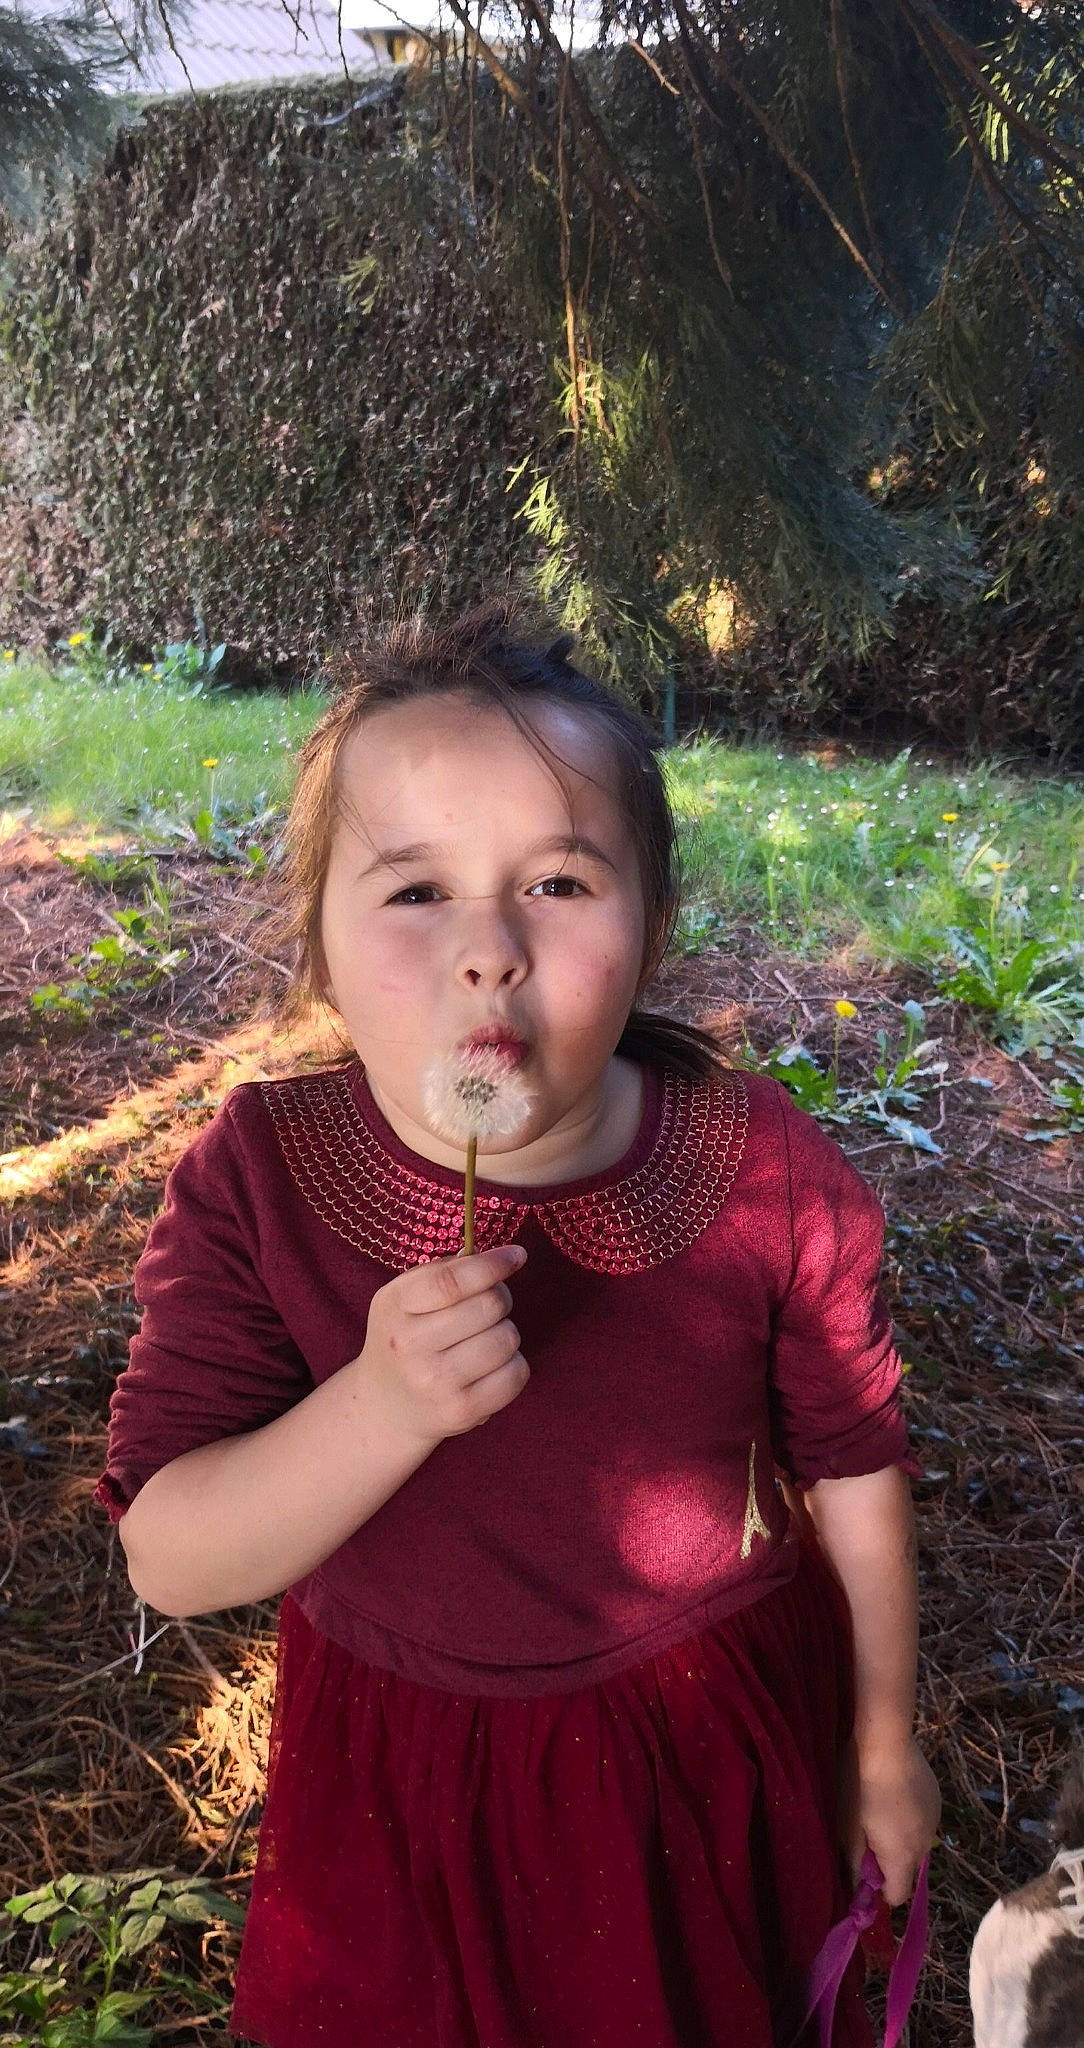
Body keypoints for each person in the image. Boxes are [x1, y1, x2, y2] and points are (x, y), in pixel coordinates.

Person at [96, 603, 941, 2048]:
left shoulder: (762, 1165)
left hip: (700, 1754)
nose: (488, 952)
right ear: (320, 947)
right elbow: (170, 1553)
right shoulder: (260, 1181)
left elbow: (854, 1464)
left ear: (651, 926)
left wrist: (880, 1744)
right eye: (415, 894)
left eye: (555, 881)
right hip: (408, 1790)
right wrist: (379, 1408)